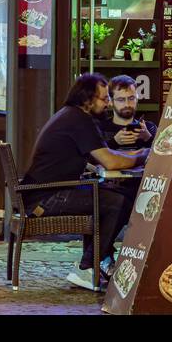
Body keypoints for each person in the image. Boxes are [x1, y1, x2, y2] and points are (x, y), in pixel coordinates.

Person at [21, 73, 148, 290]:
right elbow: (111, 161)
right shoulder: (78, 120)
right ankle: (88, 266)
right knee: (116, 202)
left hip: (42, 191)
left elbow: (101, 157)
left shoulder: (71, 115)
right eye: (103, 98)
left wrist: (136, 153)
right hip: (45, 198)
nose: (108, 102)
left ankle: (100, 260)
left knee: (109, 195)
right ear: (87, 99)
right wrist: (144, 155)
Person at [98, 75, 157, 150]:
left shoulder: (149, 128)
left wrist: (147, 138)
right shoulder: (99, 129)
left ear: (137, 99)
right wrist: (114, 142)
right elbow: (90, 159)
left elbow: (163, 157)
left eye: (131, 98)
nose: (127, 104)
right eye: (121, 99)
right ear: (110, 101)